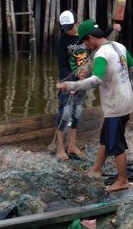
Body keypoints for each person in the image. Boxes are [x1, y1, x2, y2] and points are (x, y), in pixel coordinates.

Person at [56, 19, 133, 192]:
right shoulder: (118, 46)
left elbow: (96, 80)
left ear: (91, 37)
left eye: (85, 42)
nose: (85, 46)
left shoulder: (102, 54)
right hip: (126, 101)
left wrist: (70, 86)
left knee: (117, 145)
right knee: (105, 137)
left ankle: (122, 180)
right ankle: (96, 169)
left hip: (116, 106)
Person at [54, 10, 90, 161]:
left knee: (77, 111)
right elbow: (62, 66)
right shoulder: (62, 41)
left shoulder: (84, 35)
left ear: (77, 23)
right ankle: (60, 148)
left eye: (71, 26)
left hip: (83, 80)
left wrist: (113, 28)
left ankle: (72, 146)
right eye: (65, 28)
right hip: (69, 82)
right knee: (65, 113)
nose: (68, 30)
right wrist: (70, 83)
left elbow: (100, 37)